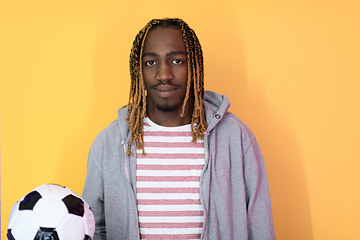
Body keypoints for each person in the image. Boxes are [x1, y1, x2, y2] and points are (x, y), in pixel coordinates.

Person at [82, 18, 276, 240]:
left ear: (194, 66)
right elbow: (91, 228)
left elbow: (260, 226)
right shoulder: (110, 142)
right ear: (139, 71)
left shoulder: (234, 137)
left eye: (176, 61)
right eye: (151, 62)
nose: (164, 74)